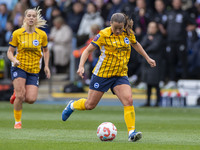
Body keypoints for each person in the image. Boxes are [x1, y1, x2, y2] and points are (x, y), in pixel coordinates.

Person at [62, 13, 156, 142]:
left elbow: (136, 44)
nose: (118, 31)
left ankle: (131, 132)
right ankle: (72, 105)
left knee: (128, 100)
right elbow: (87, 50)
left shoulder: (128, 33)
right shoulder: (103, 34)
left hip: (120, 74)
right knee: (90, 105)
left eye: (120, 28)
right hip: (102, 74)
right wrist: (81, 66)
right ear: (110, 23)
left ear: (124, 26)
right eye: (115, 28)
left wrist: (147, 58)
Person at [7, 7, 51, 129]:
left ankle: (17, 92)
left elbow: (46, 51)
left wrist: (46, 66)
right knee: (21, 96)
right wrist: (14, 60)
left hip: (34, 69)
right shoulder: (17, 33)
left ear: (36, 19)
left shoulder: (42, 34)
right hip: (19, 67)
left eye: (34, 16)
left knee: (31, 99)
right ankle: (17, 122)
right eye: (29, 16)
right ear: (25, 18)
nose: (31, 18)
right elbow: (9, 52)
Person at [140, 21, 163, 107]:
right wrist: (147, 44)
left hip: (155, 62)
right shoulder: (146, 37)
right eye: (150, 27)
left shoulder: (159, 37)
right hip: (146, 63)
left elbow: (155, 47)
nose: (151, 29)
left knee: (156, 83)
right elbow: (141, 46)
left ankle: (157, 102)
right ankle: (148, 102)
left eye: (153, 27)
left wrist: (145, 49)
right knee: (148, 83)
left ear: (156, 28)